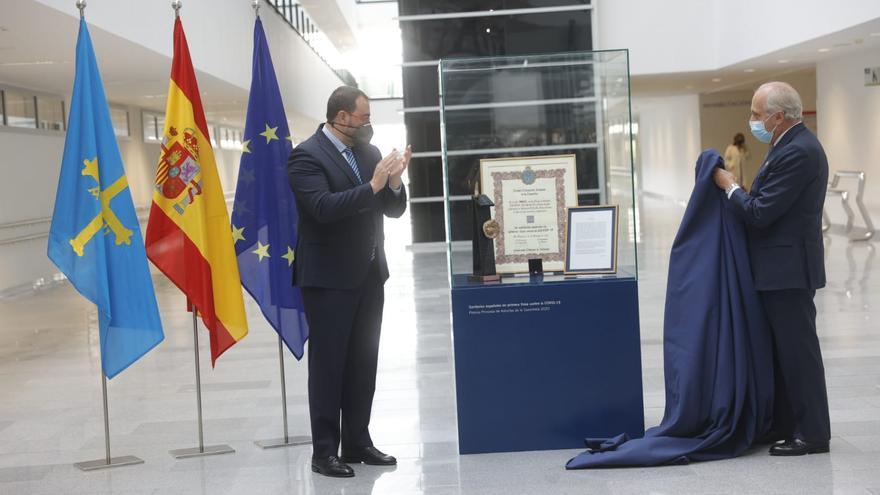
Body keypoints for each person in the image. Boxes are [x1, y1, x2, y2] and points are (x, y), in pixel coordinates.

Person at [287, 86, 410, 478]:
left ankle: (357, 442)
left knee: (363, 361)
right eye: (364, 117)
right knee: (329, 365)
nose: (368, 124)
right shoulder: (305, 156)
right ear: (341, 117)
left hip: (370, 275)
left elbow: (392, 210)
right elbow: (322, 209)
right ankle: (324, 451)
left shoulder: (369, 154)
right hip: (327, 280)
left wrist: (392, 183)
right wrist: (372, 186)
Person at [713, 81, 831, 456]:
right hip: (778, 268)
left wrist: (730, 187)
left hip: (788, 270)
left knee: (798, 354)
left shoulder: (799, 152)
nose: (752, 121)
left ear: (778, 117)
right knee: (784, 354)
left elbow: (761, 213)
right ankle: (787, 424)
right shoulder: (786, 146)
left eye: (756, 113)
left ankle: (812, 434)